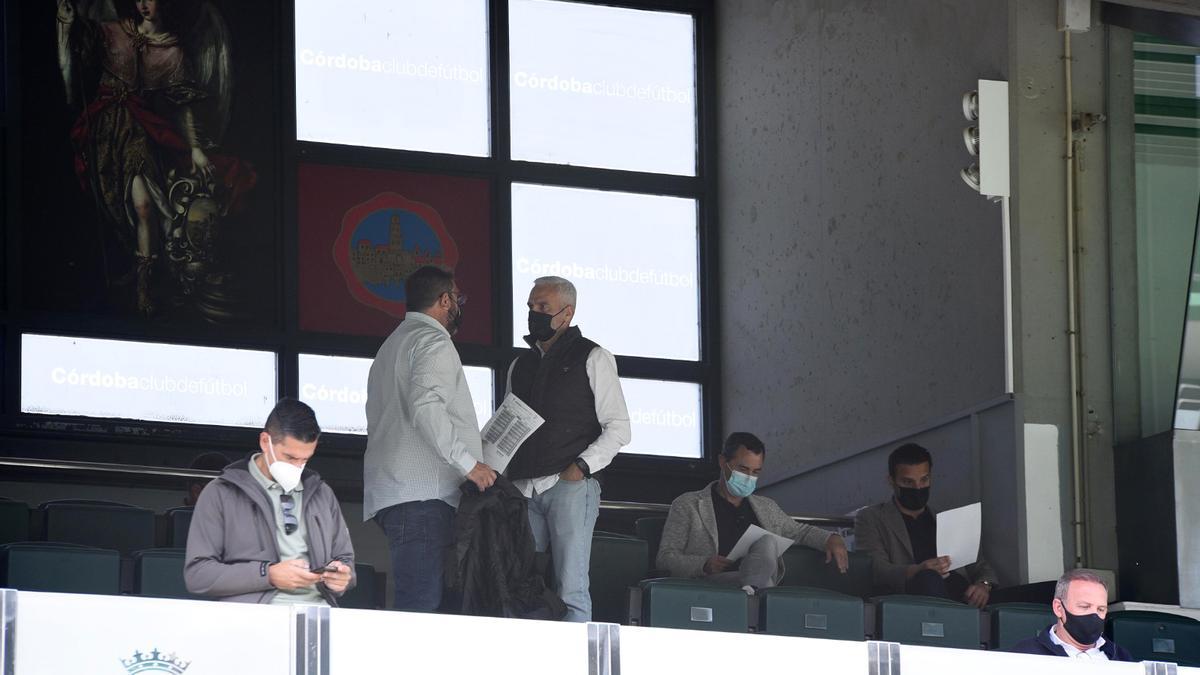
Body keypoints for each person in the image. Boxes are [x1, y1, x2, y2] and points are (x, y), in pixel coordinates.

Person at [56, 0, 253, 315]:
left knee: (146, 206)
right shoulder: (113, 29)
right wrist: (65, 24)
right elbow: (77, 58)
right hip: (105, 131)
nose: (143, 4)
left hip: (139, 130)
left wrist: (196, 148)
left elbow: (183, 103)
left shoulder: (172, 51)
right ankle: (141, 274)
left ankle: (144, 286)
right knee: (129, 210)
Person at [364, 265, 496, 612]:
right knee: (421, 611)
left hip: (403, 493)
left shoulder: (392, 345)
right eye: (457, 298)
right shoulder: (433, 341)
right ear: (444, 299)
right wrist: (469, 464)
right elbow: (426, 407)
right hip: (424, 496)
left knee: (424, 607)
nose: (458, 305)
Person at [504, 276, 631, 622]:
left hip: (571, 486)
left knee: (570, 587)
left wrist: (580, 469)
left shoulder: (593, 356)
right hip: (523, 489)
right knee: (521, 585)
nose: (534, 313)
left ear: (567, 312)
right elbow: (507, 428)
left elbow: (619, 428)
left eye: (542, 307)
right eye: (531, 306)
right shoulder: (521, 365)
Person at [184, 398, 355, 604]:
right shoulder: (221, 492)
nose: (298, 466)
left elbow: (347, 562)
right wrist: (268, 575)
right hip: (252, 619)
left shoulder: (321, 493)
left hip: (318, 613)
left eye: (306, 459)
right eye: (290, 458)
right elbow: (198, 575)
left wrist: (342, 577)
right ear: (265, 442)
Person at [657, 432, 849, 592]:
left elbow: (801, 531)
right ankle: (757, 593)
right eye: (743, 469)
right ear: (723, 462)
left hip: (754, 584)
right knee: (766, 587)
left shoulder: (767, 507)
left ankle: (752, 590)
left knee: (767, 542)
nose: (749, 477)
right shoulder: (688, 504)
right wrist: (704, 564)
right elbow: (665, 559)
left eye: (755, 472)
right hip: (712, 585)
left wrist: (831, 538)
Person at [854, 442, 998, 607]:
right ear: (891, 481)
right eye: (908, 482)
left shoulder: (948, 518)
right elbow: (875, 569)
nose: (918, 487)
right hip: (915, 598)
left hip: (963, 597)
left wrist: (984, 585)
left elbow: (980, 566)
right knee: (928, 577)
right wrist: (917, 570)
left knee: (1031, 594)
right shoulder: (872, 518)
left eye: (924, 479)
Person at [1009, 569, 1134, 660]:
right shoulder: (1026, 654)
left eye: (1101, 609)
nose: (1094, 615)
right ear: (1058, 608)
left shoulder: (1121, 657)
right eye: (1084, 607)